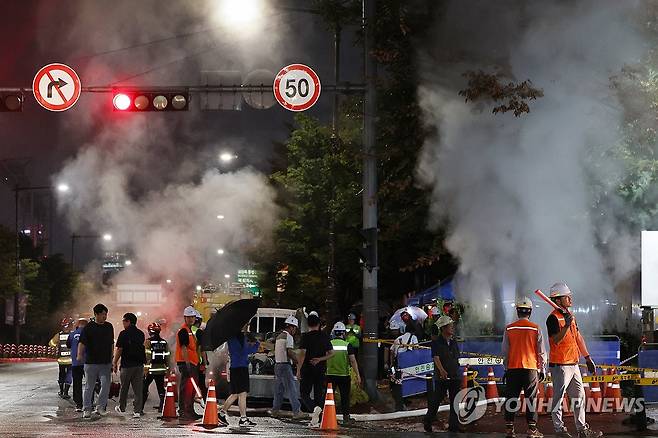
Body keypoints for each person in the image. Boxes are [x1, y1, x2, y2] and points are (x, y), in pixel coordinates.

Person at [546, 282, 602, 438]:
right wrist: (566, 325)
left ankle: (582, 429)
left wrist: (588, 357)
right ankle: (559, 430)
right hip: (560, 365)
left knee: (579, 397)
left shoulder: (570, 317)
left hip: (573, 363)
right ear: (558, 300)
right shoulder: (552, 318)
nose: (570, 298)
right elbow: (556, 340)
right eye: (566, 296)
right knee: (558, 398)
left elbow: (578, 338)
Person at [502, 297, 547, 438]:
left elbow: (505, 351)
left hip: (513, 368)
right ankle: (532, 430)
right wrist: (542, 370)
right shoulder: (536, 328)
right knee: (531, 399)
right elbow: (542, 352)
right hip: (530, 368)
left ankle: (510, 429)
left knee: (511, 398)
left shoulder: (509, 328)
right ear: (530, 312)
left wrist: (506, 368)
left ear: (517, 311)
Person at [423, 315, 461, 433]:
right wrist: (441, 370)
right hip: (442, 377)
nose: (452, 328)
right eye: (450, 326)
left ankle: (454, 426)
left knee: (455, 401)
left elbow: (456, 356)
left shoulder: (453, 342)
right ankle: (428, 420)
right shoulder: (437, 343)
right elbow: (436, 357)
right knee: (436, 400)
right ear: (444, 328)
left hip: (454, 375)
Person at [78, 303, 114, 419]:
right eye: (103, 314)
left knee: (106, 385)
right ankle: (87, 409)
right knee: (89, 386)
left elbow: (111, 344)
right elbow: (82, 343)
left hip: (105, 363)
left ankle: (100, 407)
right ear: (96, 314)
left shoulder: (109, 326)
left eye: (106, 314)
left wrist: (112, 358)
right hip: (91, 363)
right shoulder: (89, 327)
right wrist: (79, 355)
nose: (105, 316)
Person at [218, 327, 260, 427]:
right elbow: (245, 351)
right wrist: (255, 343)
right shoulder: (238, 337)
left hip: (236, 367)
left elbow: (245, 350)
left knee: (236, 394)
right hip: (240, 368)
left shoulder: (233, 337)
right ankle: (243, 419)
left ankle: (222, 414)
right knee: (242, 394)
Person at [271, 315, 308, 419]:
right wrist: (297, 361)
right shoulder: (289, 337)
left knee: (279, 390)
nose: (295, 331)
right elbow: (289, 352)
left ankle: (275, 411)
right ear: (292, 327)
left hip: (277, 365)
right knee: (292, 389)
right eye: (295, 328)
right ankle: (297, 412)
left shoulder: (279, 337)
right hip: (285, 366)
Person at [297, 313, 334, 414]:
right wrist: (320, 359)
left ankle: (315, 410)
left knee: (304, 393)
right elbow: (331, 354)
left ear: (308, 324)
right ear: (319, 324)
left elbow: (302, 354)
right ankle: (319, 414)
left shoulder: (305, 337)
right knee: (318, 394)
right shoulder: (324, 336)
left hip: (307, 369)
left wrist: (298, 370)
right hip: (320, 369)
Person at [326, 322, 361, 424]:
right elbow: (353, 361)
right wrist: (357, 374)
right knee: (345, 397)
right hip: (343, 375)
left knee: (328, 398)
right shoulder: (347, 345)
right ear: (343, 333)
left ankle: (326, 415)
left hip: (330, 374)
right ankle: (346, 418)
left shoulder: (329, 344)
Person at [113, 312, 146, 418]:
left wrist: (114, 362)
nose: (123, 323)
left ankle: (122, 407)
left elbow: (120, 349)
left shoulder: (123, 333)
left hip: (127, 365)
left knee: (124, 387)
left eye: (124, 321)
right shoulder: (141, 333)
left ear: (128, 321)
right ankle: (137, 411)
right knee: (138, 389)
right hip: (139, 365)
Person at [176, 306, 202, 420]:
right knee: (185, 388)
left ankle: (190, 410)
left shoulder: (192, 330)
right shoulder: (183, 331)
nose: (191, 319)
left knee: (191, 389)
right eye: (189, 317)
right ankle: (183, 411)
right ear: (185, 318)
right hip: (186, 363)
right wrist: (187, 364)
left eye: (193, 317)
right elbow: (184, 348)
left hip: (193, 363)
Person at [389, 320, 418, 411]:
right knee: (407, 381)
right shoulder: (413, 337)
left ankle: (400, 403)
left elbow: (392, 352)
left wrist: (391, 364)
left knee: (398, 382)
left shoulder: (398, 339)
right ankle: (402, 404)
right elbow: (416, 350)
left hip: (397, 364)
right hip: (408, 364)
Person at [142, 322, 170, 412]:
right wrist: (168, 368)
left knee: (144, 388)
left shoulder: (148, 342)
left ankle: (140, 407)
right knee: (161, 389)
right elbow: (167, 356)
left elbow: (147, 356)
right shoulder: (164, 342)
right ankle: (163, 407)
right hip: (161, 370)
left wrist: (145, 369)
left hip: (151, 369)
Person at [50, 317, 74, 399]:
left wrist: (57, 345)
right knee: (69, 374)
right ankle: (66, 392)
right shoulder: (73, 334)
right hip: (71, 360)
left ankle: (61, 390)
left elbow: (51, 343)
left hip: (61, 360)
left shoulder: (58, 335)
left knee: (62, 374)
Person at [67, 317, 88, 411]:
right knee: (89, 384)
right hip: (88, 362)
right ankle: (89, 403)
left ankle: (79, 405)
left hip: (76, 363)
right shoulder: (89, 333)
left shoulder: (72, 334)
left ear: (78, 324)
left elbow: (68, 345)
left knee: (77, 384)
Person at [191, 313, 208, 402]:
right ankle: (206, 402)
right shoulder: (199, 332)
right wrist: (205, 364)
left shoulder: (188, 330)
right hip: (198, 362)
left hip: (190, 361)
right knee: (201, 384)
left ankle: (187, 405)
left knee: (191, 383)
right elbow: (202, 349)